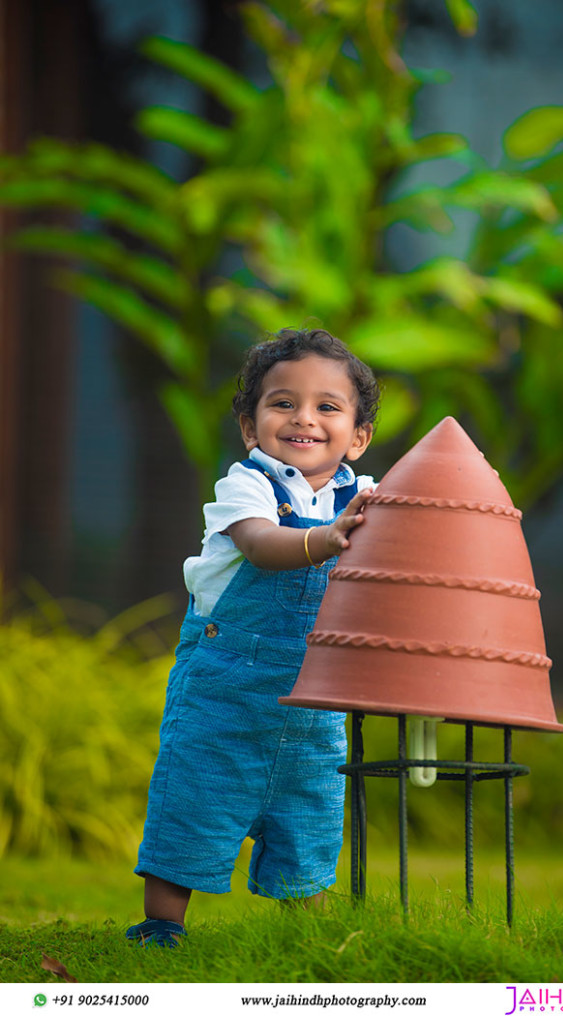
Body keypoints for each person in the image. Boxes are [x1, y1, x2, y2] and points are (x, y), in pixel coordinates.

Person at [127, 328, 379, 947]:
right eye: (283, 402)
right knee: (195, 796)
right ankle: (163, 925)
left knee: (312, 807)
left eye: (328, 406)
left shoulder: (369, 498)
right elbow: (263, 546)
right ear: (250, 425)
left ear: (358, 436)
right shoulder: (248, 486)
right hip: (225, 684)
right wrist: (325, 539)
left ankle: (311, 940)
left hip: (315, 697)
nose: (305, 419)